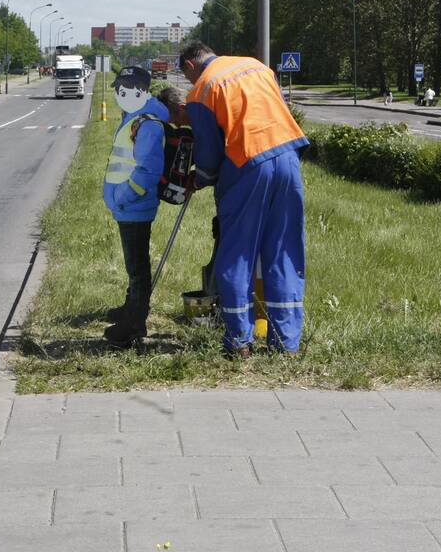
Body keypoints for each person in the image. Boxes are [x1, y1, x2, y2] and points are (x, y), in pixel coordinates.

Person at [179, 40, 308, 357]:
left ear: (190, 67)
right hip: (288, 157)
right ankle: (286, 343)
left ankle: (239, 341)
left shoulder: (202, 90)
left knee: (237, 252)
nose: (190, 84)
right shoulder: (257, 66)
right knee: (284, 249)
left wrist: (201, 178)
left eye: (188, 78)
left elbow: (209, 155)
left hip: (247, 164)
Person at [102, 66, 169, 346]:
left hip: (134, 206)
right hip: (128, 206)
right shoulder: (135, 116)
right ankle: (131, 309)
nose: (123, 95)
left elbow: (148, 170)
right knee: (134, 264)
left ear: (143, 91)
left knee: (137, 266)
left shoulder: (148, 123)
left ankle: (134, 324)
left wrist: (124, 196)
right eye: (120, 90)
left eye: (129, 90)